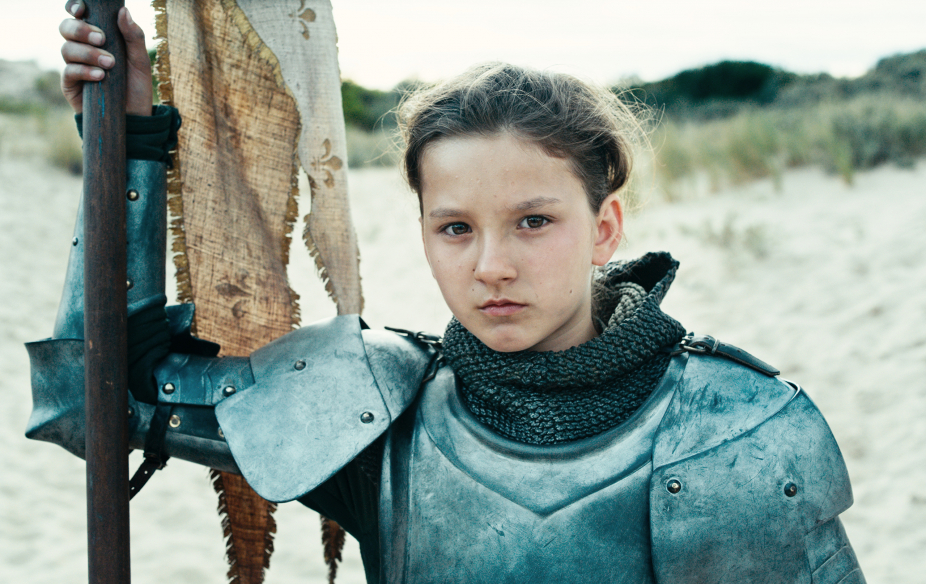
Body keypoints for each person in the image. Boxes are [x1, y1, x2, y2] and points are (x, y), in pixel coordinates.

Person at [28, 3, 865, 583]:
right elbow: (90, 402)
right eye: (456, 227)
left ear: (605, 227)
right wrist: (126, 138)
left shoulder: (734, 433)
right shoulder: (374, 413)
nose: (491, 265)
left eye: (533, 221)